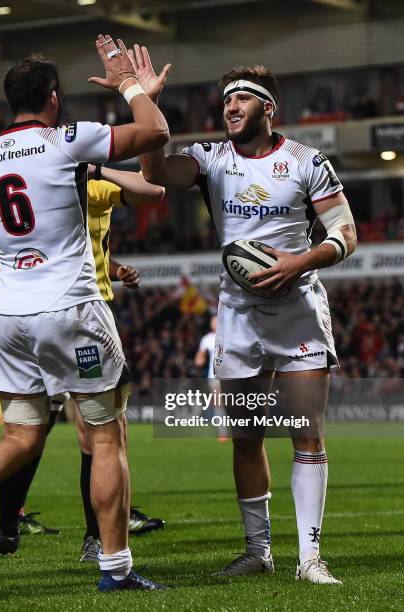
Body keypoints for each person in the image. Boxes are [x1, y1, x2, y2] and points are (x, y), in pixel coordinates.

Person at [0, 35, 169, 594]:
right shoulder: (65, 140)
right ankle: (115, 569)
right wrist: (132, 85)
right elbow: (154, 134)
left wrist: (12, 256)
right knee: (106, 436)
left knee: (20, 436)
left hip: (7, 316)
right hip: (72, 308)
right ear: (54, 98)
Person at [133, 46, 356, 584]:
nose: (231, 106)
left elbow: (346, 232)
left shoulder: (306, 161)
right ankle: (259, 552)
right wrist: (144, 104)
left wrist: (300, 261)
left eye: (242, 99)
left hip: (299, 307)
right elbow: (157, 171)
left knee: (307, 434)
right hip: (238, 313)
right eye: (226, 99)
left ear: (267, 108)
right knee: (247, 434)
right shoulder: (210, 159)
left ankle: (309, 559)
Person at [0, 166, 165, 562]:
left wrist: (114, 267)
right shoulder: (38, 182)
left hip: (83, 312)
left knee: (91, 431)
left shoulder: (91, 183)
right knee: (30, 431)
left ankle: (94, 537)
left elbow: (143, 194)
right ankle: (7, 528)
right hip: (43, 316)